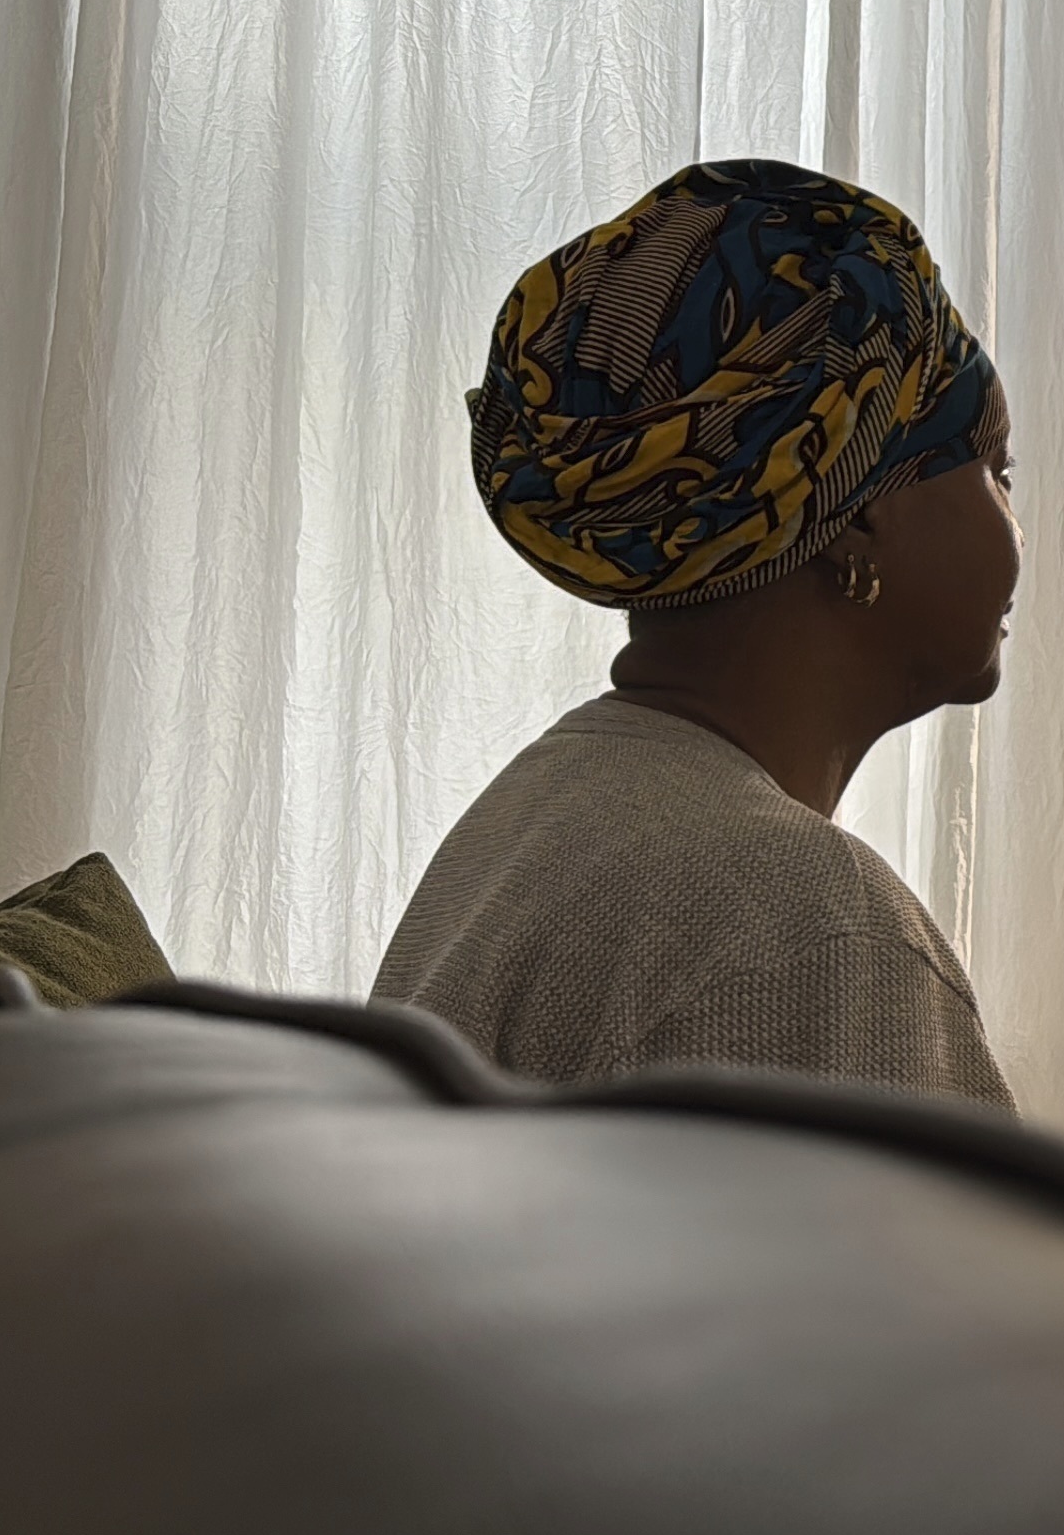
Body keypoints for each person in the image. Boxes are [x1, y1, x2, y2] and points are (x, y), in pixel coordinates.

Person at [375, 160, 1020, 1111]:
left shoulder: (536, 816)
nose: (1012, 520)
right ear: (856, 510)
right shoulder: (813, 932)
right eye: (997, 470)